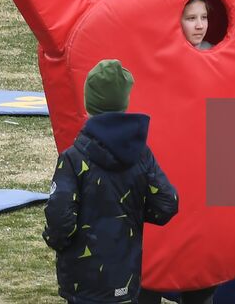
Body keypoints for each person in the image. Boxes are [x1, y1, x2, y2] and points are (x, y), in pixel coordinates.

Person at [44, 59, 178, 304]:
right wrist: (133, 212)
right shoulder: (142, 155)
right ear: (124, 103)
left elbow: (60, 217)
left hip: (82, 281)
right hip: (126, 277)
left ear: (89, 104)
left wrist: (57, 243)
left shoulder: (73, 158)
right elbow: (167, 203)